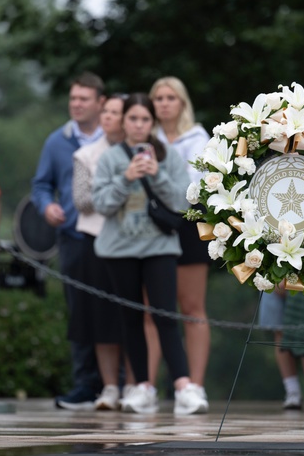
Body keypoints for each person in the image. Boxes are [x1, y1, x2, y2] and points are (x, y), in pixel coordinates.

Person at [92, 92, 206, 415]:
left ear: (152, 123)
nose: (139, 125)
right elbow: (101, 204)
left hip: (159, 247)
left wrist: (156, 173)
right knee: (131, 319)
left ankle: (184, 386)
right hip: (119, 249)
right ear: (124, 122)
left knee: (165, 315)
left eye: (145, 119)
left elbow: (183, 202)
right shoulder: (111, 158)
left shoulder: (166, 155)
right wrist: (125, 178)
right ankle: (141, 385)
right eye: (133, 119)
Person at [31, 73, 106, 410]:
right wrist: (46, 205)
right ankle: (84, 385)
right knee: (79, 313)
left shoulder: (115, 138)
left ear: (100, 103)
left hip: (111, 238)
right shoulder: (56, 141)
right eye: (73, 98)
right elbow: (41, 184)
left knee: (116, 310)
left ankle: (119, 384)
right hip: (73, 238)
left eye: (83, 99)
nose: (76, 104)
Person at [146, 77, 212, 405]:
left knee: (191, 307)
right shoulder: (146, 137)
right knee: (152, 310)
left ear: (182, 102)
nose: (164, 103)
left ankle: (194, 386)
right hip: (151, 224)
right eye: (158, 98)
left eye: (171, 97)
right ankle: (146, 386)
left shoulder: (199, 138)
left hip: (187, 223)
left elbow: (195, 186)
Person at [72, 93, 133, 410]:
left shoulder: (143, 152)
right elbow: (82, 200)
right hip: (96, 242)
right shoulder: (86, 154)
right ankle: (110, 386)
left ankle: (136, 385)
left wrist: (110, 190)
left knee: (133, 316)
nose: (108, 117)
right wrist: (119, 188)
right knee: (102, 319)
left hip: (134, 242)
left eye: (116, 112)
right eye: (106, 111)